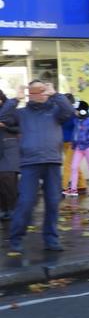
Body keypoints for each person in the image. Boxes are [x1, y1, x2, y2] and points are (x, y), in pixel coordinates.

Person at [6, 81, 74, 253]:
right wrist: (15, 98)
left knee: (52, 202)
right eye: (36, 90)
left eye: (43, 90)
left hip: (52, 162)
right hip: (30, 163)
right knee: (26, 202)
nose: (41, 93)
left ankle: (51, 239)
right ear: (31, 94)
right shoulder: (21, 113)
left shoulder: (55, 111)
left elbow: (70, 111)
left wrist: (55, 94)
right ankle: (16, 238)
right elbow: (2, 117)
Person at [65, 101, 89, 197]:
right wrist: (73, 142)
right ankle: (73, 189)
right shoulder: (76, 120)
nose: (75, 112)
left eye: (76, 110)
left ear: (82, 111)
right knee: (74, 167)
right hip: (78, 148)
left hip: (88, 147)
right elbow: (75, 133)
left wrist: (86, 138)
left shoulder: (88, 121)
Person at [0, 89, 20, 223]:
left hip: (9, 150)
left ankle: (13, 210)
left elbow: (20, 128)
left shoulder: (12, 111)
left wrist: (5, 126)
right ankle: (3, 210)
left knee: (9, 181)